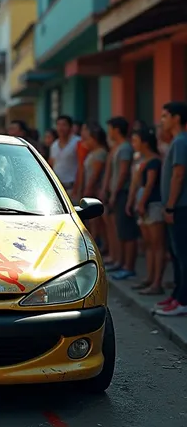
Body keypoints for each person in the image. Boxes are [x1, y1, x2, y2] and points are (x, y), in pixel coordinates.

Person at [156, 101, 187, 316]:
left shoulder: (181, 142)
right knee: (176, 254)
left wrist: (170, 206)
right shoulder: (176, 141)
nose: (162, 120)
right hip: (177, 207)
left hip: (180, 207)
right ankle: (177, 295)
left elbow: (178, 174)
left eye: (165, 116)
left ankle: (183, 300)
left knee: (182, 254)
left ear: (176, 118)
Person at [130, 127, 165, 295]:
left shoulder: (154, 161)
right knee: (149, 245)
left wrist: (141, 203)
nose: (133, 144)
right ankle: (150, 278)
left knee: (157, 245)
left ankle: (157, 282)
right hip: (143, 204)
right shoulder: (142, 160)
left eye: (136, 140)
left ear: (145, 143)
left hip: (153, 204)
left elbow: (150, 184)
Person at [106, 116, 139, 280]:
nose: (109, 132)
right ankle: (121, 262)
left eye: (110, 128)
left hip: (123, 193)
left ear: (116, 129)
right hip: (118, 193)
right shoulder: (118, 147)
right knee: (120, 230)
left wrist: (114, 193)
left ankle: (128, 266)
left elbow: (124, 172)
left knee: (127, 231)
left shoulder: (125, 148)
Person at [82, 123, 109, 250]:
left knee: (97, 221)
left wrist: (88, 188)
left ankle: (102, 246)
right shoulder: (93, 152)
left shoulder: (100, 153)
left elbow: (95, 174)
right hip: (91, 189)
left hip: (95, 191)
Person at [48, 115, 80, 192]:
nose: (61, 128)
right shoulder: (54, 145)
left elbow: (82, 166)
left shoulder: (78, 142)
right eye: (58, 125)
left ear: (71, 127)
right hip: (58, 188)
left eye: (64, 125)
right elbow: (52, 164)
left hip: (72, 187)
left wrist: (77, 188)